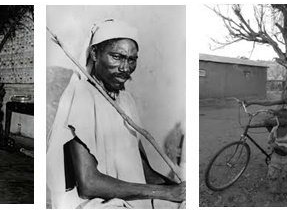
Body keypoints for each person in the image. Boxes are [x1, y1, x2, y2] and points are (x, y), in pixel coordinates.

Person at [46, 19, 184, 209]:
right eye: (117, 57)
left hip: (131, 198)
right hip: (97, 204)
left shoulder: (126, 100)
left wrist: (178, 189)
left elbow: (143, 170)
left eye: (131, 60)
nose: (125, 68)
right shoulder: (82, 96)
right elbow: (89, 184)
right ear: (95, 54)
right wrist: (165, 192)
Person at [245, 79, 287, 172]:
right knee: (268, 122)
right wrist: (252, 102)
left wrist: (278, 112)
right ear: (286, 88)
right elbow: (269, 103)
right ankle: (277, 139)